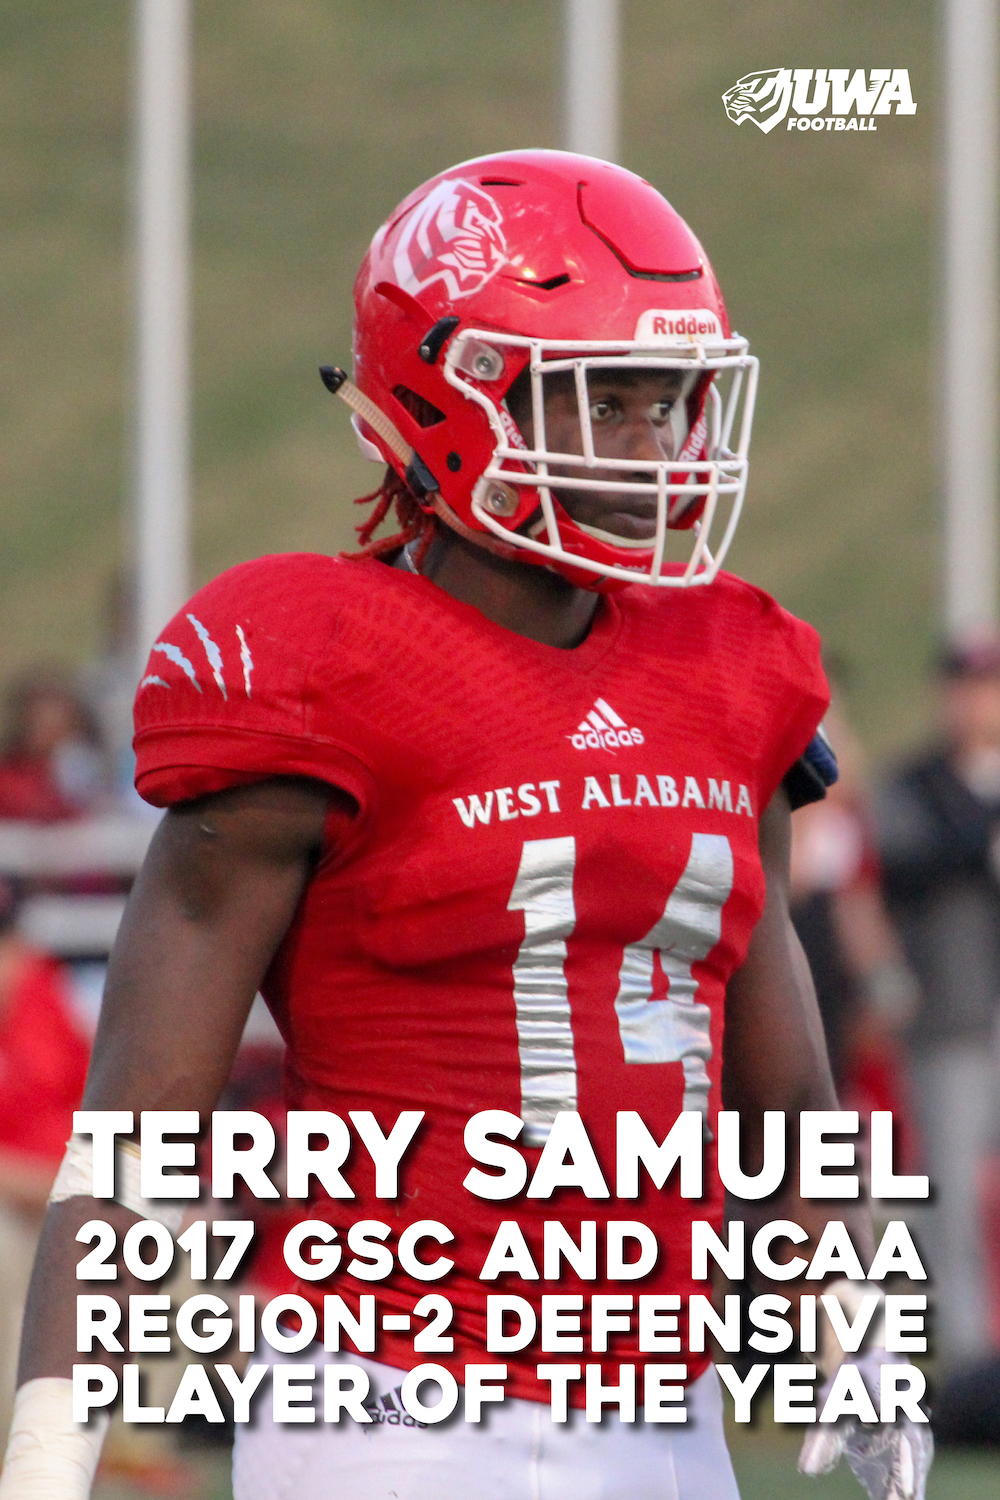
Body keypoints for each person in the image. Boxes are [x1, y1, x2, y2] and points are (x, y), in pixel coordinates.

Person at [2, 151, 930, 1500]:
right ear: (450, 398)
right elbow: (134, 1138)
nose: (649, 448)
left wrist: (847, 1306)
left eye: (666, 401)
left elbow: (778, 1084)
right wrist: (45, 1453)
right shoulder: (315, 663)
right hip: (389, 1403)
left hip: (666, 1406)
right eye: (598, 400)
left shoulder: (734, 666)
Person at [877, 628, 1000, 1373]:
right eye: (962, 686)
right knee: (948, 1194)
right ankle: (971, 1365)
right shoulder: (917, 784)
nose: (973, 701)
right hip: (950, 1016)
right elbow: (901, 859)